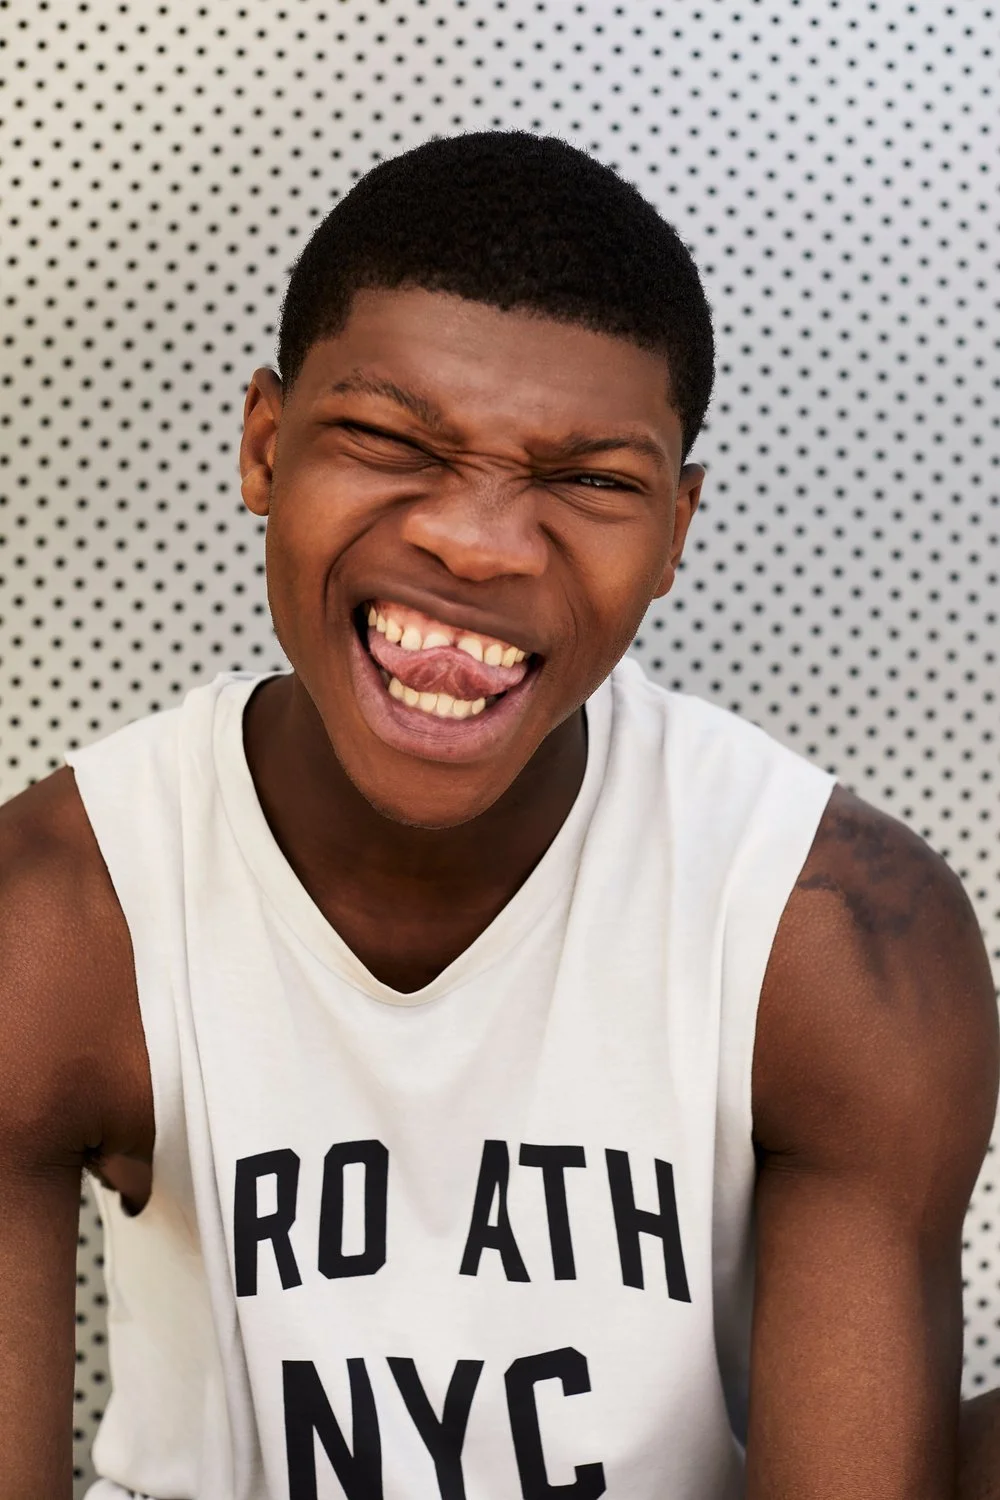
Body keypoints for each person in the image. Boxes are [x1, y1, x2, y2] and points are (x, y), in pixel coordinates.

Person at [0, 130, 996, 1500]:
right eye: (389, 441)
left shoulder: (830, 930)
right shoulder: (62, 911)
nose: (473, 542)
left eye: (589, 481)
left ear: (676, 531)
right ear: (265, 448)